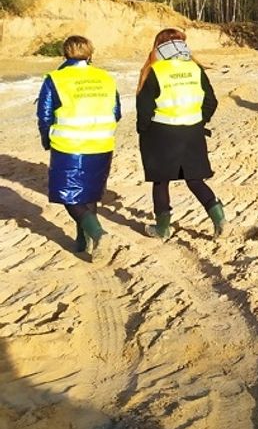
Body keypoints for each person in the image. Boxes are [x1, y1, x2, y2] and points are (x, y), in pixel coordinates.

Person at [36, 34, 121, 259]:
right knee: (89, 193)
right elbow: (116, 111)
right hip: (102, 143)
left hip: (69, 146)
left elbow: (44, 115)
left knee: (69, 195)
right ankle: (84, 242)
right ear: (90, 53)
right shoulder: (105, 78)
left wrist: (47, 139)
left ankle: (98, 233)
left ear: (65, 53)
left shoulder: (56, 79)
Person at [136, 28, 224, 239]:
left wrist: (143, 130)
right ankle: (219, 218)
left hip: (162, 133)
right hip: (193, 132)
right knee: (195, 180)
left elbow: (145, 108)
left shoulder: (155, 70)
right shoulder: (195, 69)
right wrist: (198, 120)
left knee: (161, 181)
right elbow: (211, 101)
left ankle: (162, 228)